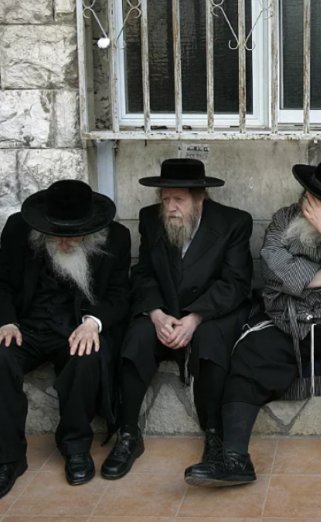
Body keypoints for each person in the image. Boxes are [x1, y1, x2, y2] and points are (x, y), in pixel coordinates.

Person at [184, 159, 321, 488]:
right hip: (289, 318)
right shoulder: (283, 218)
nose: (313, 206)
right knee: (249, 355)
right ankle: (234, 458)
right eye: (312, 197)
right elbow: (272, 268)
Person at [0, 180, 130, 501]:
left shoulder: (116, 236)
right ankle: (8, 459)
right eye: (55, 235)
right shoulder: (19, 228)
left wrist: (93, 323)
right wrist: (4, 322)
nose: (63, 243)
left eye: (73, 236)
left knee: (88, 356)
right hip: (24, 327)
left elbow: (118, 294)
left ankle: (76, 448)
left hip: (75, 328)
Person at [101, 159, 253, 480]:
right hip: (164, 309)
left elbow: (236, 283)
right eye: (165, 198)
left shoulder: (234, 222)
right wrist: (156, 314)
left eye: (179, 199)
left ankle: (215, 435)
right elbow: (143, 273)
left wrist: (195, 318)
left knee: (211, 342)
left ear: (200, 199)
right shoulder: (150, 219)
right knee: (136, 338)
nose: (170, 207)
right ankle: (128, 433)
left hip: (210, 312)